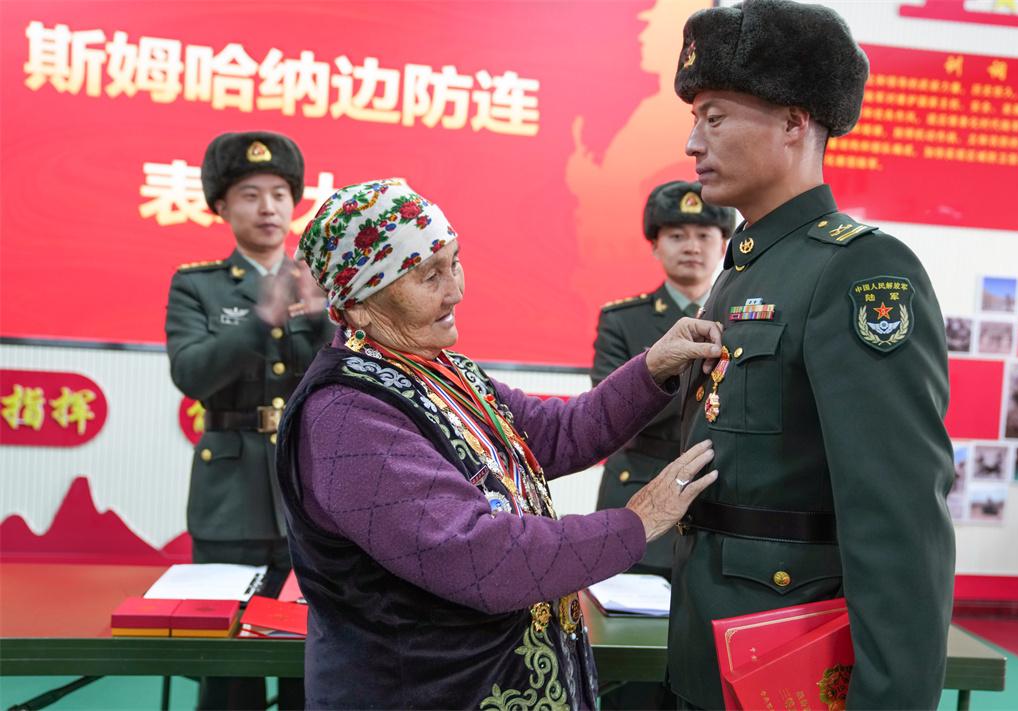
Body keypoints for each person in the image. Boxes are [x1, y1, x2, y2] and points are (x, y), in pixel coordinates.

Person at [277, 178, 722, 709]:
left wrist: (653, 368)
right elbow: (479, 557)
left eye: (455, 263)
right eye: (429, 276)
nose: (455, 291)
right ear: (361, 303)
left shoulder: (442, 371)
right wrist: (638, 521)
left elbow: (559, 432)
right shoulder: (347, 414)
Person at [668, 1, 955, 708]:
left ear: (795, 122)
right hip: (713, 651)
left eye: (715, 117)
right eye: (696, 118)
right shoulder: (744, 270)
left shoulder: (857, 270)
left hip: (791, 665)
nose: (693, 142)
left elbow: (898, 521)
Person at [165, 130, 334, 710]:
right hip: (229, 495)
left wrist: (323, 316)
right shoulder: (197, 285)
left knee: (307, 658)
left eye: (280, 194)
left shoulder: (321, 285)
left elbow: (349, 375)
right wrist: (263, 320)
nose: (268, 208)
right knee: (227, 662)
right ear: (221, 205)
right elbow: (192, 373)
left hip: (310, 490)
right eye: (250, 194)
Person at [593, 179, 733, 581]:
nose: (692, 247)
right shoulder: (622, 320)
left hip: (720, 502)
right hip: (639, 498)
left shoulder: (742, 319)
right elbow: (613, 409)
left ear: (723, 245)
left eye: (704, 236)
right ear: (655, 245)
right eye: (677, 236)